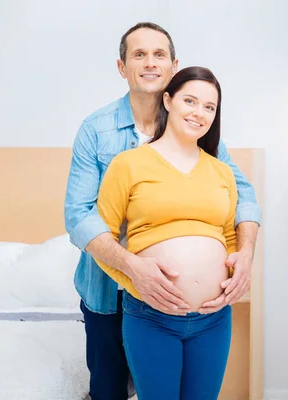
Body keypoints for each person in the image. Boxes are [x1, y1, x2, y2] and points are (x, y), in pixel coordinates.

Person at [64, 22, 260, 400]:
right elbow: (79, 216)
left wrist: (245, 257)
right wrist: (134, 269)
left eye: (159, 55)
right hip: (110, 290)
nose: (150, 63)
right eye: (139, 54)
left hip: (203, 316)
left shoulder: (199, 134)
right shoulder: (99, 131)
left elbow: (242, 199)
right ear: (122, 67)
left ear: (173, 66)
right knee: (108, 391)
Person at [94, 65, 235, 399]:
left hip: (213, 320)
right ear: (168, 100)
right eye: (191, 101)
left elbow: (229, 236)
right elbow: (100, 240)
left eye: (209, 107)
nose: (199, 113)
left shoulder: (222, 171)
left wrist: (235, 270)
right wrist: (137, 283)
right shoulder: (128, 164)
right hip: (151, 317)